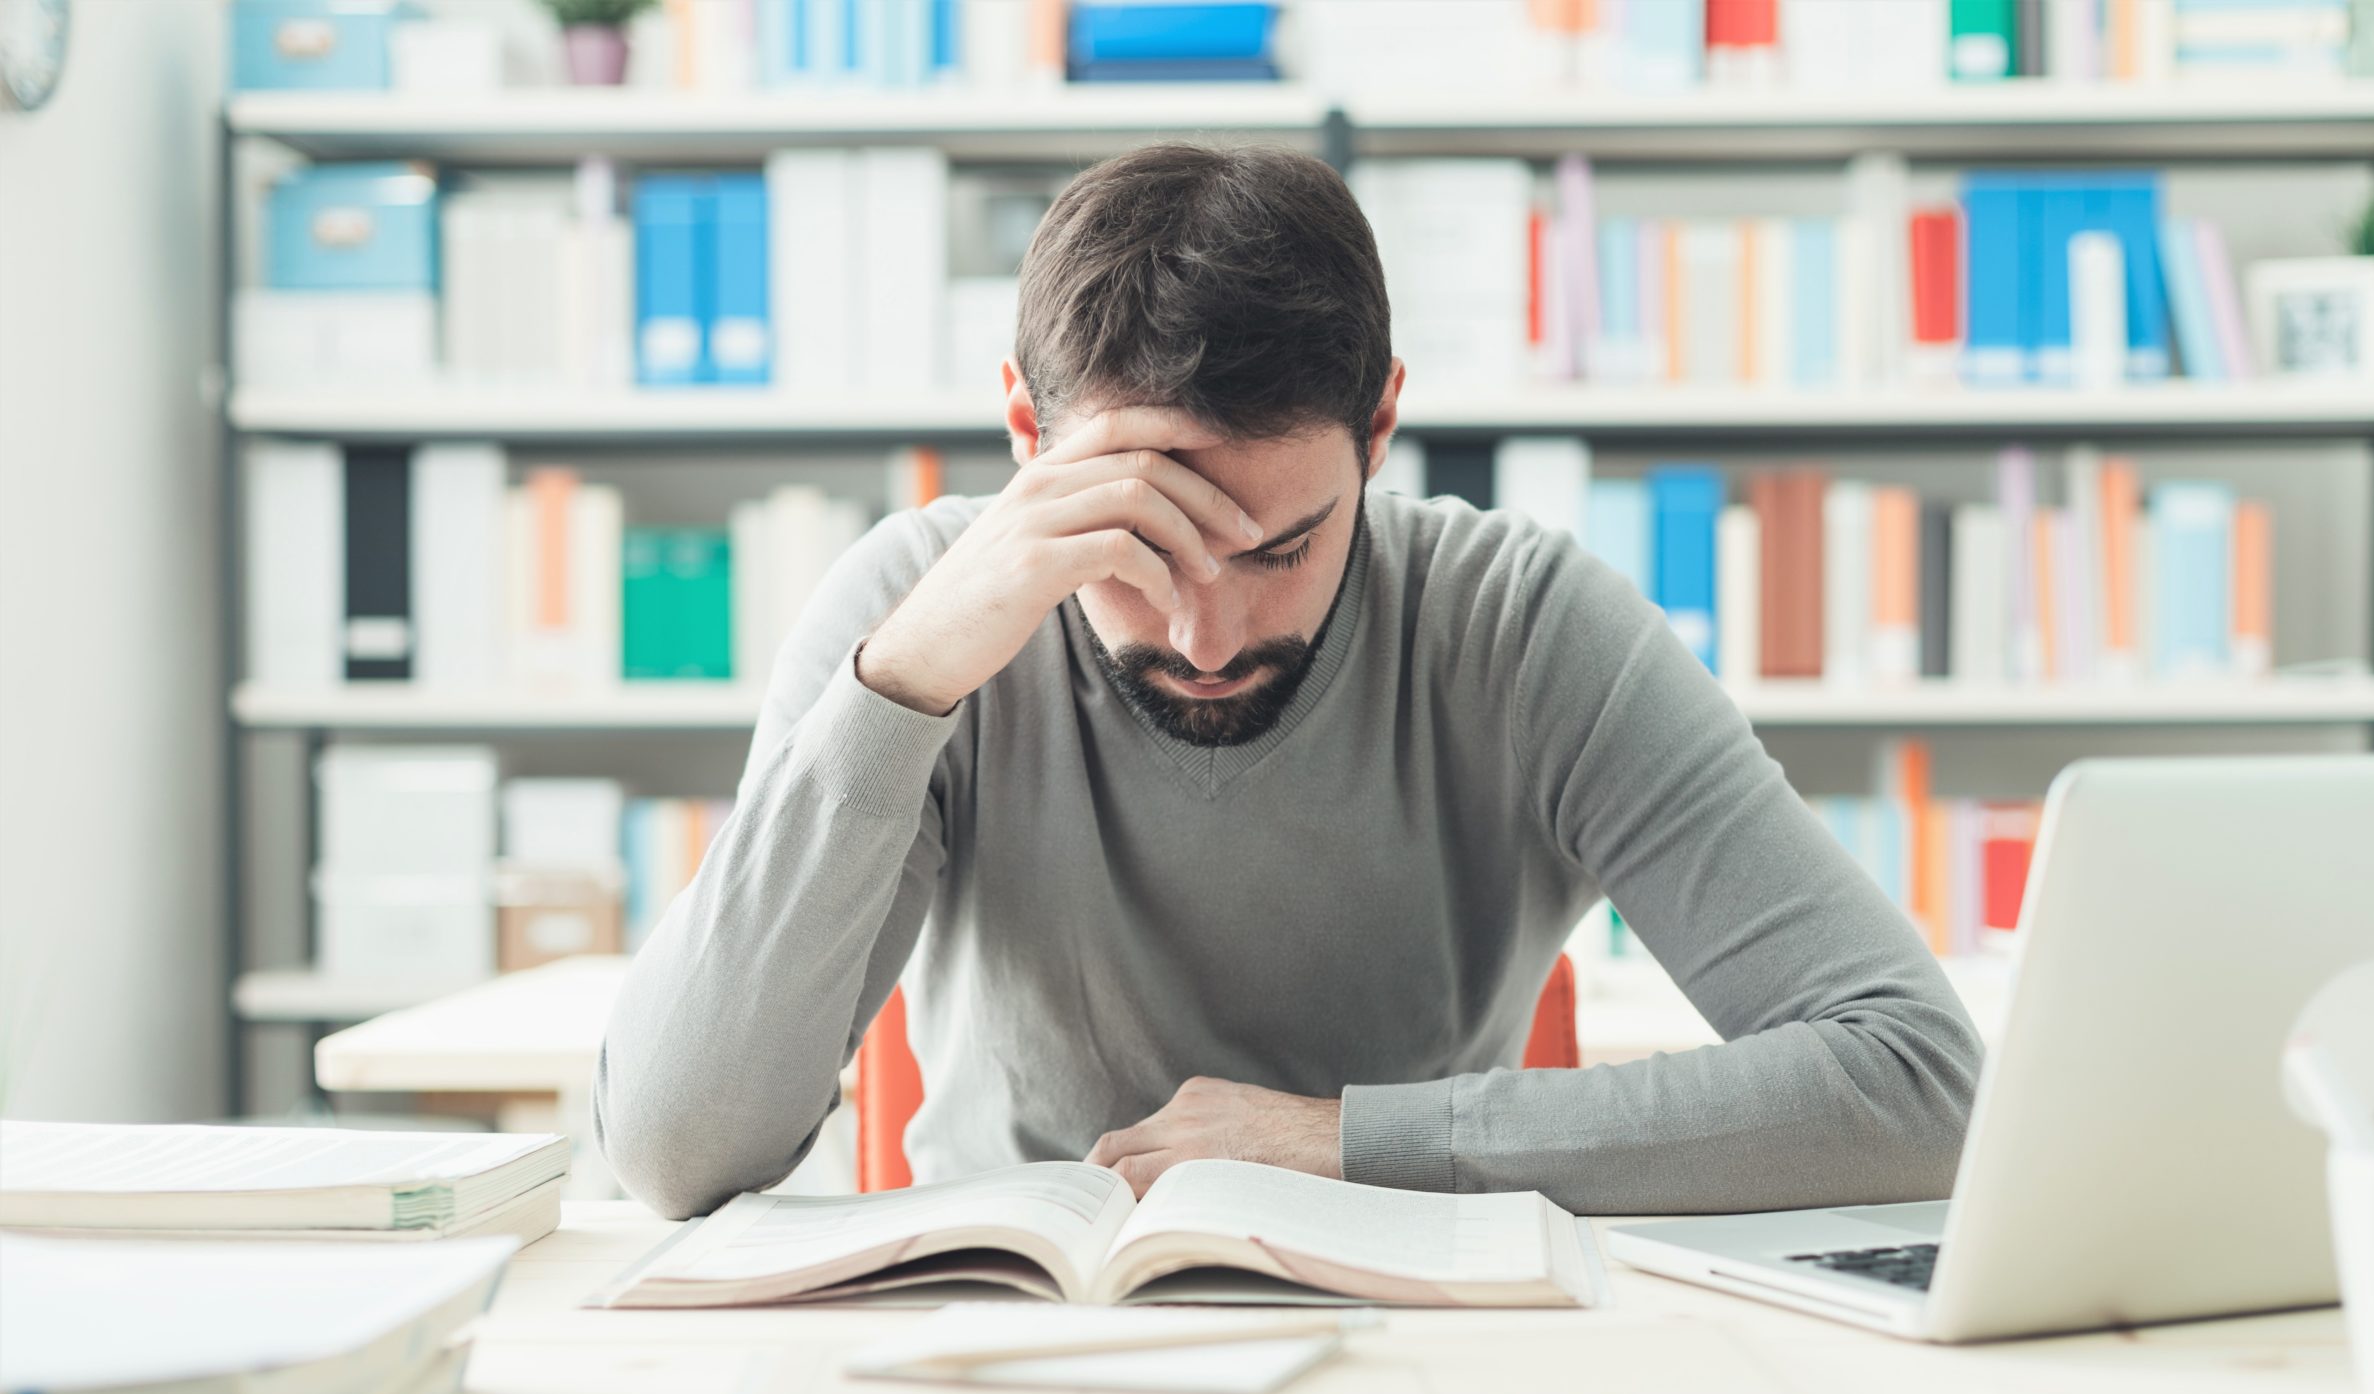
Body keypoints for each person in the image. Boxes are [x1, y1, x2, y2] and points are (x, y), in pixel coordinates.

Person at [595, 142, 1981, 1219]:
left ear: (1380, 422)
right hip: (1012, 1333)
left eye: (1278, 549)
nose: (1205, 635)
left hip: (1425, 1324)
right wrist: (900, 692)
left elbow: (1921, 1087)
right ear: (1027, 430)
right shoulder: (913, 614)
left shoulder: (1523, 623)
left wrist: (1345, 1144)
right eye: (1133, 549)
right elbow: (672, 1151)